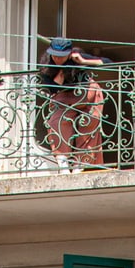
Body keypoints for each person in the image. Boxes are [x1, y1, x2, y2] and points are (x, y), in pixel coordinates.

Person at [38, 36, 110, 171]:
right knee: (56, 122)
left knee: (89, 122)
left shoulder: (77, 57)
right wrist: (58, 78)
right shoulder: (47, 65)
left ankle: (81, 163)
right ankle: (62, 161)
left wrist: (83, 61)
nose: (58, 59)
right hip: (64, 97)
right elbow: (51, 88)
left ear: (70, 53)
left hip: (88, 93)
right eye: (55, 55)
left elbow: (108, 63)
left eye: (62, 56)